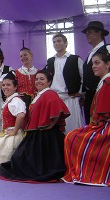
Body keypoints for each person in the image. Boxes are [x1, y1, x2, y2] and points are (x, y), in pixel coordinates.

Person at [0, 70, 70, 182]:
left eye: (42, 79)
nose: (38, 81)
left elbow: (58, 110)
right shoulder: (39, 95)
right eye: (36, 79)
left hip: (46, 136)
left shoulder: (50, 94)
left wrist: (49, 126)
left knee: (24, 159)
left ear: (49, 81)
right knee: (18, 158)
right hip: (36, 133)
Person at [62, 48, 110, 186]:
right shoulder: (103, 82)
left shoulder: (107, 83)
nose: (94, 66)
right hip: (101, 124)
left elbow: (105, 114)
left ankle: (90, 172)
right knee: (72, 135)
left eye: (97, 63)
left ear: (107, 64)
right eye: (93, 64)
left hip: (105, 126)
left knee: (73, 137)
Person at [45, 33, 84, 133]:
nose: (56, 44)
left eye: (59, 41)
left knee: (72, 129)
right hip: (55, 99)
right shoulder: (50, 61)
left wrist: (79, 92)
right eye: (54, 42)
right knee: (57, 130)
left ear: (66, 43)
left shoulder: (75, 59)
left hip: (71, 98)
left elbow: (84, 77)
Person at [82, 21, 110, 124]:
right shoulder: (91, 53)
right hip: (89, 94)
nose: (87, 35)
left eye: (90, 32)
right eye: (86, 33)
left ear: (99, 33)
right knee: (90, 122)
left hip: (104, 91)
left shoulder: (107, 48)